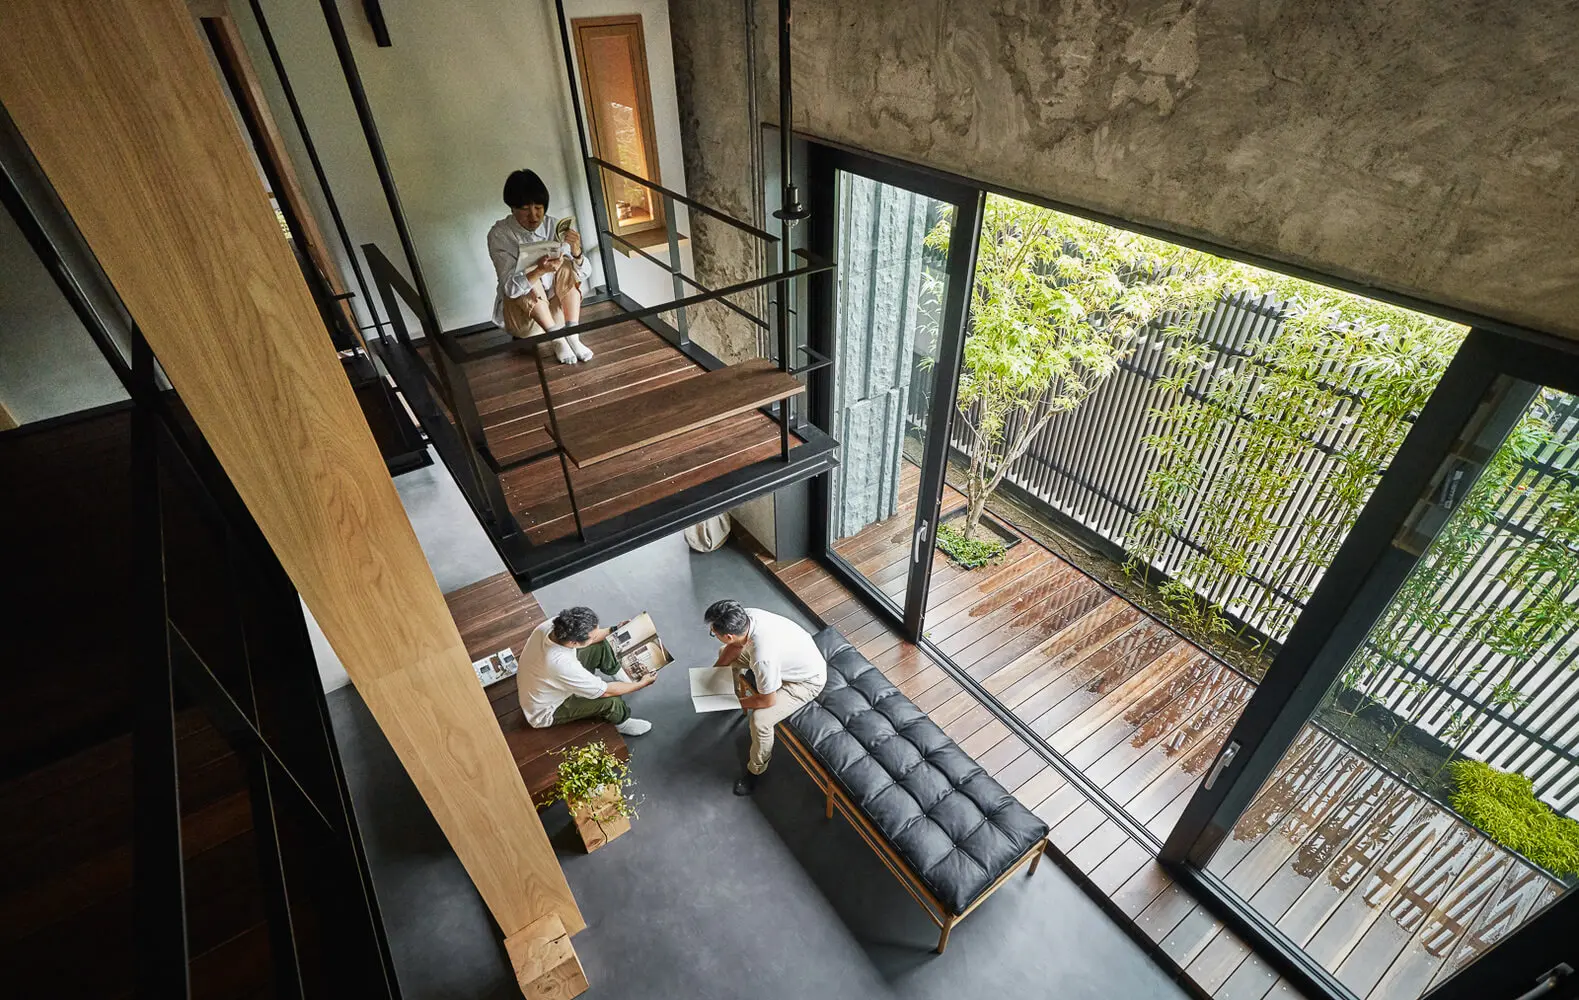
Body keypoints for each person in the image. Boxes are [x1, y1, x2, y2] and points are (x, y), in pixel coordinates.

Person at [703, 599, 826, 795]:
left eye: (713, 633)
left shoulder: (763, 658)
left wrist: (733, 703)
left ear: (727, 635)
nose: (713, 634)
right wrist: (713, 675)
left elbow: (767, 701)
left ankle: (755, 771)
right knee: (723, 654)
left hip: (806, 680)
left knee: (760, 721)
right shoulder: (746, 617)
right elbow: (734, 647)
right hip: (788, 661)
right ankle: (727, 689)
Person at [487, 168, 594, 365]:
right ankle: (557, 340)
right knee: (527, 273)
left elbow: (584, 274)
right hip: (525, 323)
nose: (534, 216)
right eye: (525, 209)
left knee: (566, 264)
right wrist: (539, 270)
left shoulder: (554, 225)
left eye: (539, 207)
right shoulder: (499, 234)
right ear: (512, 207)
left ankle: (573, 335)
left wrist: (577, 251)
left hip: (559, 316)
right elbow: (510, 289)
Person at [518, 606, 654, 735]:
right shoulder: (562, 665)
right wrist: (641, 683)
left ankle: (617, 673)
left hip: (543, 682)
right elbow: (606, 692)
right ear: (574, 643)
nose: (597, 635)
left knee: (601, 644)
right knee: (612, 700)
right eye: (593, 636)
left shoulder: (556, 626)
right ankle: (623, 723)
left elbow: (595, 636)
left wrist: (615, 629)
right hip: (546, 709)